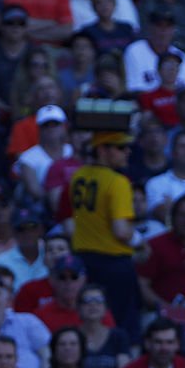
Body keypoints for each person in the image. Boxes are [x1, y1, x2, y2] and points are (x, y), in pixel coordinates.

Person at [64, 130, 140, 343]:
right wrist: (140, 242)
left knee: (90, 320)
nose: (127, 152)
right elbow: (121, 230)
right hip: (114, 263)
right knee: (122, 324)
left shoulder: (78, 175)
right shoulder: (118, 182)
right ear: (102, 149)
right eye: (120, 147)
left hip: (84, 260)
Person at [118, 317, 185, 368]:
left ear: (177, 344)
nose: (164, 348)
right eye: (158, 342)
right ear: (147, 343)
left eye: (169, 342)